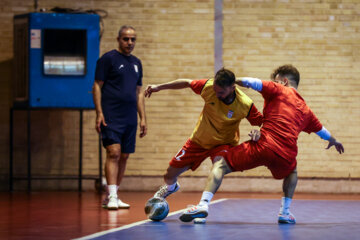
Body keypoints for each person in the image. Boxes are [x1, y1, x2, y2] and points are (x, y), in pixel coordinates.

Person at [179, 64, 344, 224]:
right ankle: (285, 213)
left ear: (284, 81)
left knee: (220, 164)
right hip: (286, 155)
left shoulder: (279, 89)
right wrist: (334, 141)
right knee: (292, 172)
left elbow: (250, 82)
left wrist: (230, 83)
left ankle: (203, 204)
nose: (275, 82)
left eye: (277, 80)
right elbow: (322, 131)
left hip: (263, 146)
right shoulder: (307, 111)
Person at [144, 68, 263, 201]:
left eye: (221, 92)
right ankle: (171, 188)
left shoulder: (245, 104)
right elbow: (187, 83)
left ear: (232, 88)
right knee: (169, 175)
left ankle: (203, 204)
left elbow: (262, 122)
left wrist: (258, 132)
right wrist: (159, 87)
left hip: (223, 143)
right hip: (199, 141)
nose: (217, 95)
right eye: (215, 91)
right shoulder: (208, 87)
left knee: (218, 167)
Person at [92, 25, 147, 210]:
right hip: (111, 114)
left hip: (130, 116)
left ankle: (112, 195)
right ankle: (113, 195)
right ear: (118, 39)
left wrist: (143, 118)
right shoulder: (108, 59)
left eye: (133, 39)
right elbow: (97, 86)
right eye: (126, 39)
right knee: (113, 152)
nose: (129, 43)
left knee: (124, 155)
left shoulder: (137, 63)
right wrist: (99, 112)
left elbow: (138, 92)